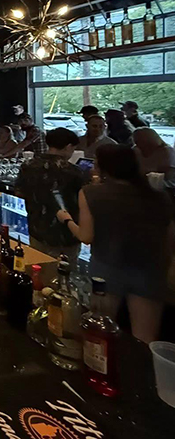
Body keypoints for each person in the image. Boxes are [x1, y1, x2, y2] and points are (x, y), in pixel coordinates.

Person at [57, 144, 173, 343]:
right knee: (144, 337)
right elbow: (169, 238)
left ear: (103, 168)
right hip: (150, 270)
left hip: (107, 266)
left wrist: (66, 219)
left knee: (100, 330)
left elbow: (86, 236)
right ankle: (140, 364)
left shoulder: (91, 193)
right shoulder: (160, 196)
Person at [15, 128, 86, 261]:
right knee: (63, 269)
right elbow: (84, 200)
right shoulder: (74, 171)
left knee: (37, 265)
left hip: (37, 228)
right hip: (65, 233)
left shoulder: (28, 166)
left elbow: (19, 192)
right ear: (68, 147)